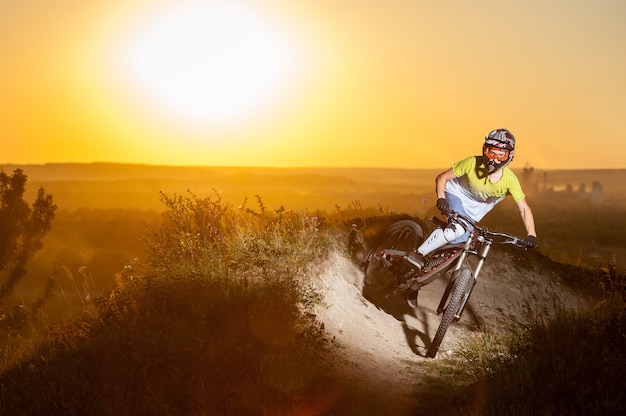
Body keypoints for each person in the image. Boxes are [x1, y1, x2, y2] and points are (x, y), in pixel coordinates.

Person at [406, 128, 537, 307]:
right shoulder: (471, 162)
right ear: (485, 150)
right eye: (491, 152)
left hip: (472, 214)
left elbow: (524, 208)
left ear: (509, 156)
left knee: (458, 251)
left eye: (501, 154)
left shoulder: (510, 181)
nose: (494, 159)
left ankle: (414, 284)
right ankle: (417, 255)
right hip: (455, 195)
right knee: (456, 230)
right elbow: (442, 178)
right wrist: (441, 198)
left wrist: (531, 234)